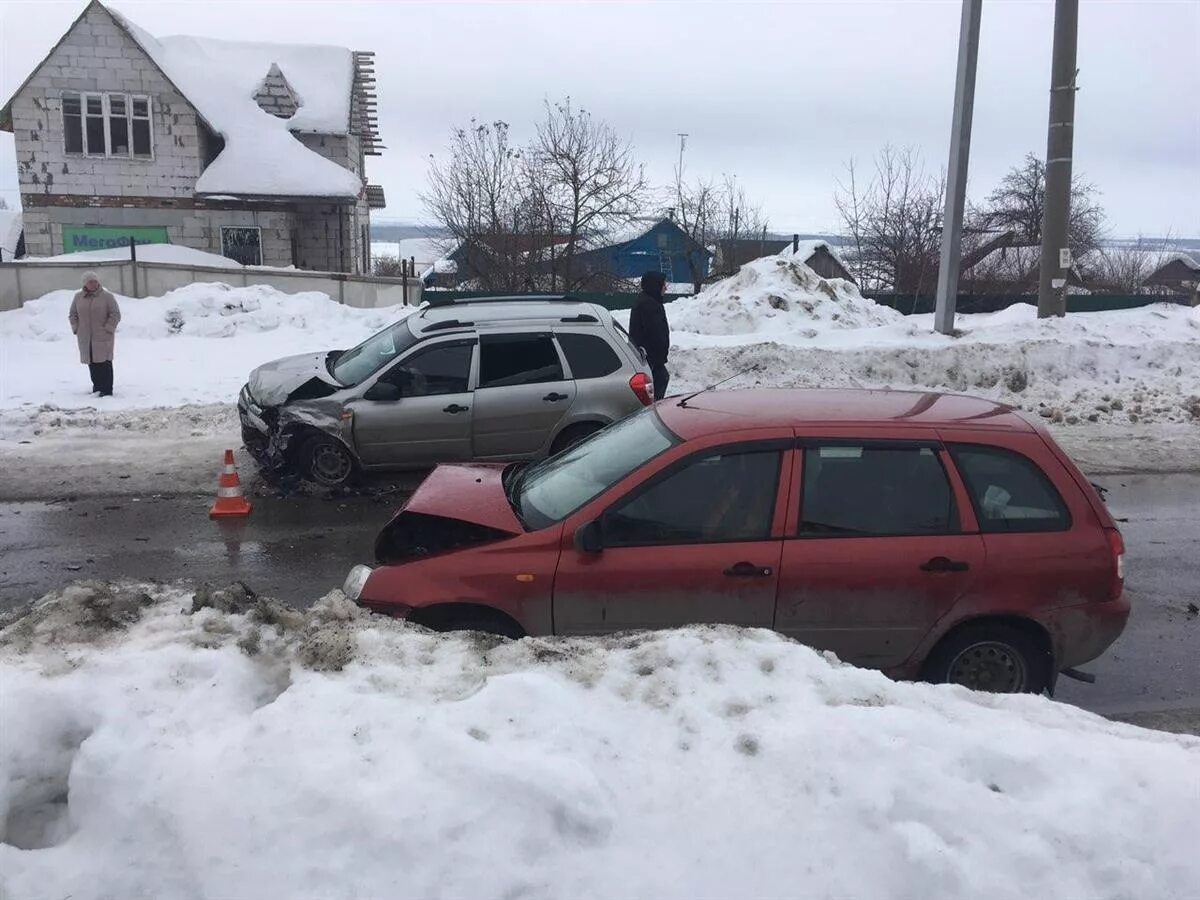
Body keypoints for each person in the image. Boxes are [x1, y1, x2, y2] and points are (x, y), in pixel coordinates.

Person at [69, 271, 121, 397]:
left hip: (103, 336)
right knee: (92, 362)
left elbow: (115, 314)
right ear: (85, 284)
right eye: (90, 282)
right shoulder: (78, 297)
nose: (93, 284)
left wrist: (108, 328)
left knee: (104, 363)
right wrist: (76, 328)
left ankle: (107, 389)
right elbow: (73, 314)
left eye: (95, 281)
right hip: (85, 337)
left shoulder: (107, 297)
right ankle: (97, 387)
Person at [629, 270, 671, 400]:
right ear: (656, 285)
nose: (666, 287)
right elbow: (655, 333)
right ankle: (652, 412)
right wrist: (659, 355)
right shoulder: (649, 304)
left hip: (648, 357)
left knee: (660, 379)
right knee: (659, 381)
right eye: (663, 284)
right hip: (650, 358)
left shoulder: (648, 300)